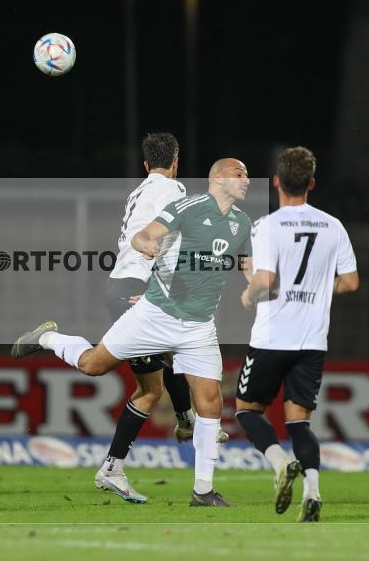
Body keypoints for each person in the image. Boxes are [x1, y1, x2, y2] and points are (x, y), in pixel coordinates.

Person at [12, 158, 253, 507]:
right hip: (154, 314)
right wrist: (145, 244)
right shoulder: (186, 203)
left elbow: (250, 267)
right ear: (217, 178)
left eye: (247, 174)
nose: (246, 179)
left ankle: (202, 490)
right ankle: (47, 338)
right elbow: (146, 234)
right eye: (239, 173)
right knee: (95, 365)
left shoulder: (241, 223)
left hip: (199, 326)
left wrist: (260, 286)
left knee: (211, 400)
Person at [97, 132, 228, 504]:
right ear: (175, 163)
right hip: (140, 288)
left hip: (119, 285)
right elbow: (181, 245)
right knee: (150, 386)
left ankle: (119, 464)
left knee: (162, 369)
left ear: (145, 164)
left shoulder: (138, 191)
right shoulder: (176, 193)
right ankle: (51, 341)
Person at [235, 146, 358, 522]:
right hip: (311, 341)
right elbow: (351, 282)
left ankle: (280, 463)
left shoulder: (267, 226)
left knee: (247, 411)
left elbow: (267, 280)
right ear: (312, 183)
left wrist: (248, 292)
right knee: (299, 421)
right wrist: (322, 288)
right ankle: (314, 492)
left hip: (273, 337)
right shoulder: (333, 225)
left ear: (275, 183)